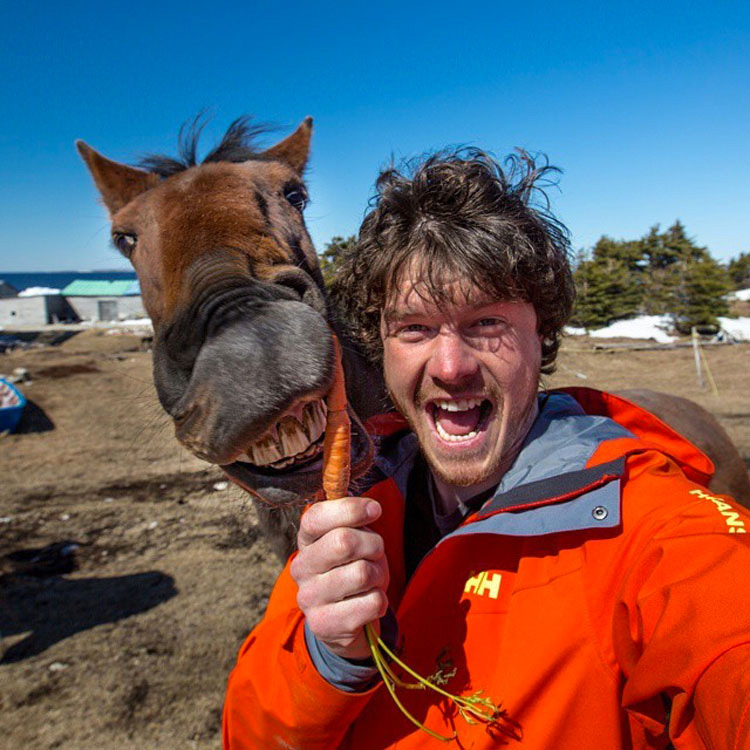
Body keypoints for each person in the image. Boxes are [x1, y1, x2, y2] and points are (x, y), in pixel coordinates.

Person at [223, 149, 750, 749]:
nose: (450, 367)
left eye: (486, 324)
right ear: (383, 345)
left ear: (542, 332)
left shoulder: (651, 526)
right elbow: (249, 734)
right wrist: (330, 660)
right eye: (414, 328)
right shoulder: (342, 518)